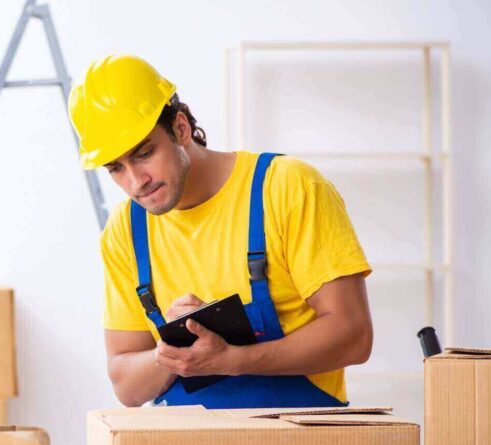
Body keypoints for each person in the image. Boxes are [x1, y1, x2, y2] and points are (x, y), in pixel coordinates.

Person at [68, 54, 374, 408]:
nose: (136, 182)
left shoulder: (287, 188)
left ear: (181, 128)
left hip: (297, 442)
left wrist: (232, 359)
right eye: (115, 169)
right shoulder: (126, 231)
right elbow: (127, 385)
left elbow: (353, 335)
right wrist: (172, 348)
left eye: (144, 153)